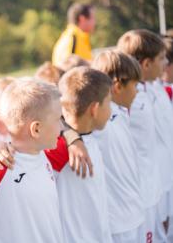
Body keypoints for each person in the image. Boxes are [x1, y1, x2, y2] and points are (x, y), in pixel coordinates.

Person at [0, 79, 64, 242]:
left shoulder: (43, 154)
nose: (62, 127)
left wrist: (74, 138)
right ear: (36, 129)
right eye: (57, 119)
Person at [46, 66, 113, 243]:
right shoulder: (60, 148)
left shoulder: (91, 136)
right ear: (95, 109)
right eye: (109, 102)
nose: (111, 109)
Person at [117, 29, 168, 242]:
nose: (165, 62)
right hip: (141, 194)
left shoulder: (153, 88)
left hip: (158, 183)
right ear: (146, 64)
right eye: (161, 58)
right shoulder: (127, 100)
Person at [92, 50, 145, 242]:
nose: (137, 90)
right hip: (118, 224)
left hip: (135, 213)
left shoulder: (120, 113)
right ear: (117, 86)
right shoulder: (98, 120)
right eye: (135, 84)